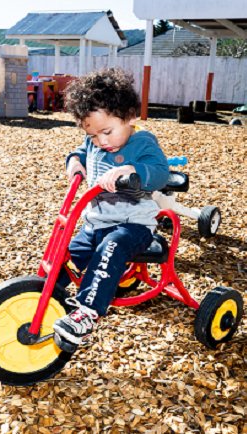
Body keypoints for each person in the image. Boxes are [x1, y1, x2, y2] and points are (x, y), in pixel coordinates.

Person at [52, 68, 169, 352]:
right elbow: (81, 150)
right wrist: (75, 162)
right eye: (93, 135)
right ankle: (38, 293)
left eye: (107, 132)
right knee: (67, 252)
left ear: (129, 116)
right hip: (96, 221)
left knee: (112, 246)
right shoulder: (94, 141)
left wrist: (132, 170)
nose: (101, 142)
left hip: (133, 226)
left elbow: (160, 172)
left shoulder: (142, 143)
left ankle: (87, 313)